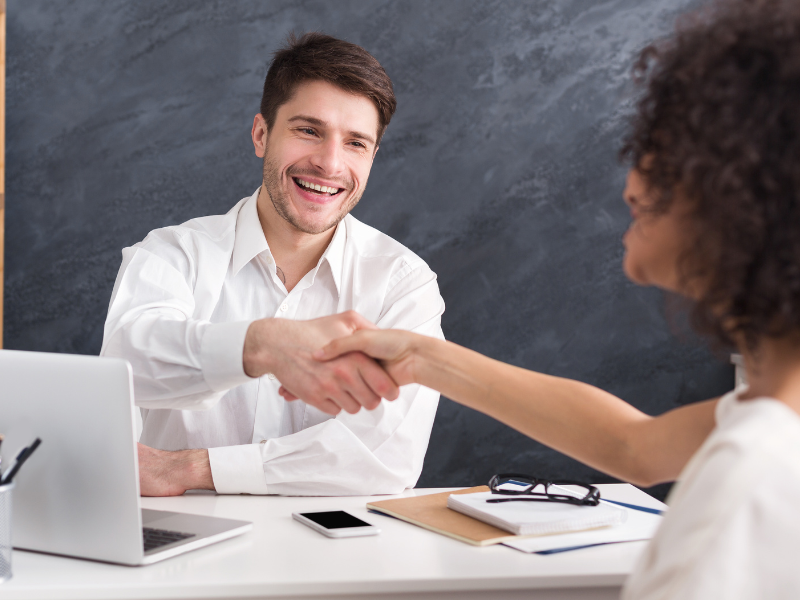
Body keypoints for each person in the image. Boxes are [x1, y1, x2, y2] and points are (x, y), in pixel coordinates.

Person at [305, 1, 800, 596]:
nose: (630, 183)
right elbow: (634, 446)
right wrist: (421, 359)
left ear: (750, 194)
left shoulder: (754, 477)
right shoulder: (768, 418)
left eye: (664, 150)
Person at [100, 33, 444, 497]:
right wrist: (259, 345)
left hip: (333, 556)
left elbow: (386, 457)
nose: (329, 163)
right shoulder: (172, 254)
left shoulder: (403, 285)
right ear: (262, 134)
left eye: (356, 143)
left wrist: (192, 468)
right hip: (178, 556)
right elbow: (127, 363)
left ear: (373, 157)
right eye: (308, 130)